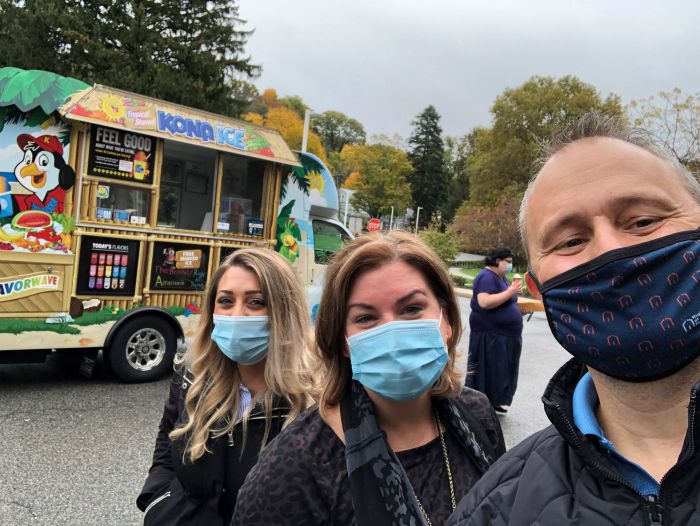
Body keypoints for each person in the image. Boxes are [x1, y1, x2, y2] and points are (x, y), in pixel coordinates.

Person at [448, 112, 700, 525]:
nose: (608, 250)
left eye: (644, 221)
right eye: (570, 241)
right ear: (537, 289)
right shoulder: (494, 510)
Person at [232, 232, 506, 526]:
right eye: (365, 318)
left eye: (412, 309)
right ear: (344, 343)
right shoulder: (296, 467)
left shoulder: (477, 413)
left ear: (447, 320)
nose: (392, 336)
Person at [136, 247, 314, 526]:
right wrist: (157, 501)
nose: (237, 315)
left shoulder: (315, 398)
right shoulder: (192, 375)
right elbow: (166, 443)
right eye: (226, 301)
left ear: (285, 311)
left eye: (256, 302)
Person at [466, 247, 524, 413]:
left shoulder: (501, 277)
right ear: (498, 261)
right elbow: (484, 302)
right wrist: (510, 292)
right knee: (489, 368)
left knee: (500, 370)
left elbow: (503, 302)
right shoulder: (486, 276)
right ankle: (480, 404)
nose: (510, 265)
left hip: (505, 334)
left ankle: (494, 400)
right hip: (490, 333)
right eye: (509, 262)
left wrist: (518, 310)